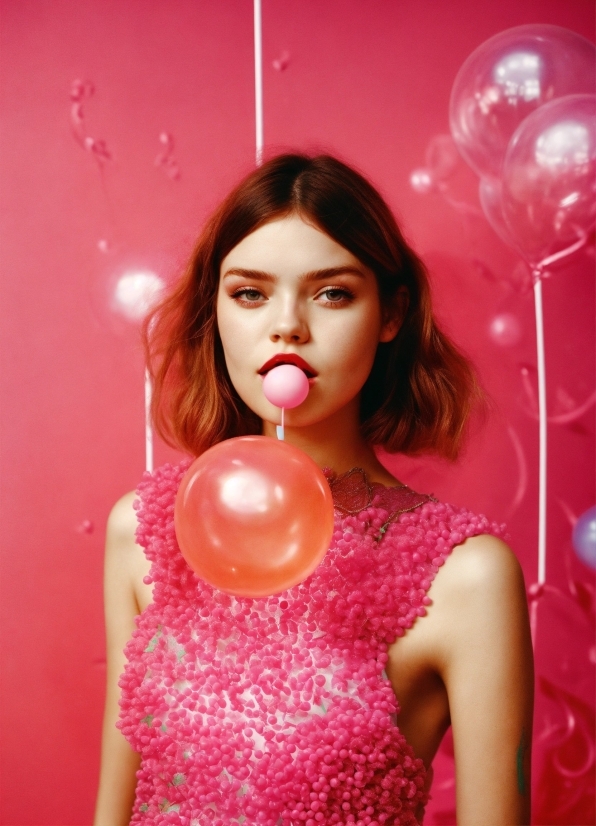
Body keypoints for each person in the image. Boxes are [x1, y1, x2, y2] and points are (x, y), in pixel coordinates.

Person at [94, 153, 534, 825]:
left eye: (332, 293)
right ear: (215, 311)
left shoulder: (466, 576)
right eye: (249, 293)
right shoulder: (145, 532)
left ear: (391, 312)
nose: (288, 327)